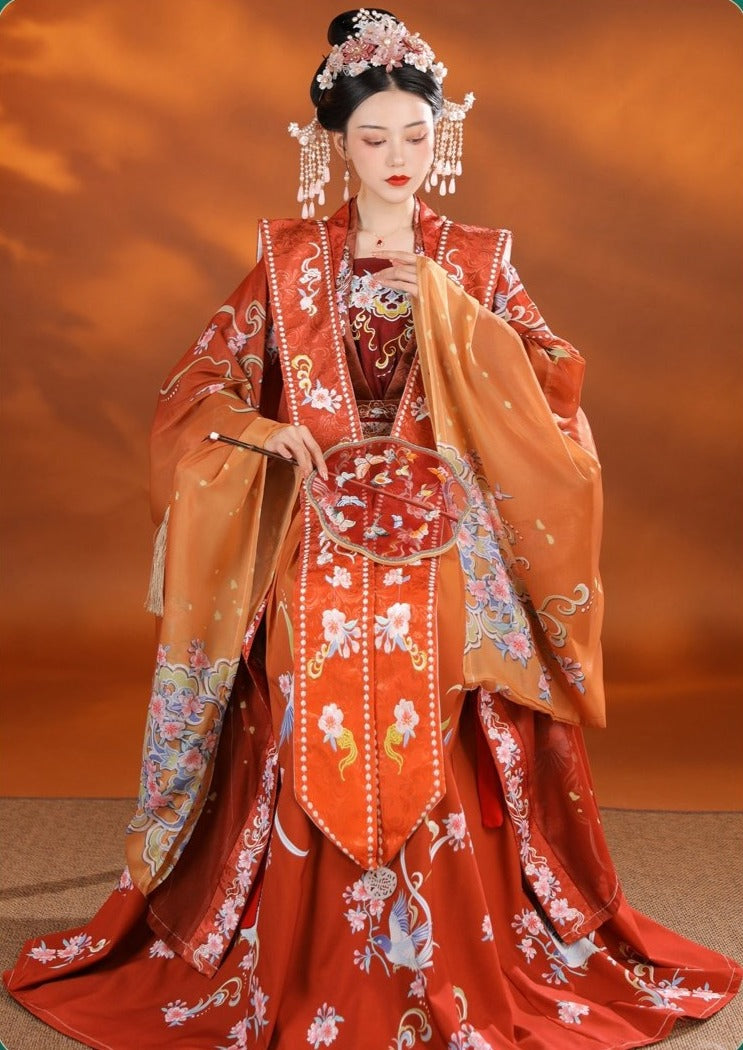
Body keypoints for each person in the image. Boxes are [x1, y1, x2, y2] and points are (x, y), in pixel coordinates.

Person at [4, 9, 741, 1049]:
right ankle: (301, 938)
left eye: (416, 134)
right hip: (317, 523)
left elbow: (554, 383)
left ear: (443, 136)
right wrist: (262, 427)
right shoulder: (288, 259)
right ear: (331, 145)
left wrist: (449, 312)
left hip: (448, 524)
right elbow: (194, 386)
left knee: (442, 639)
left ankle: (452, 940)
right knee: (300, 643)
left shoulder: (474, 260)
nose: (398, 156)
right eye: (373, 136)